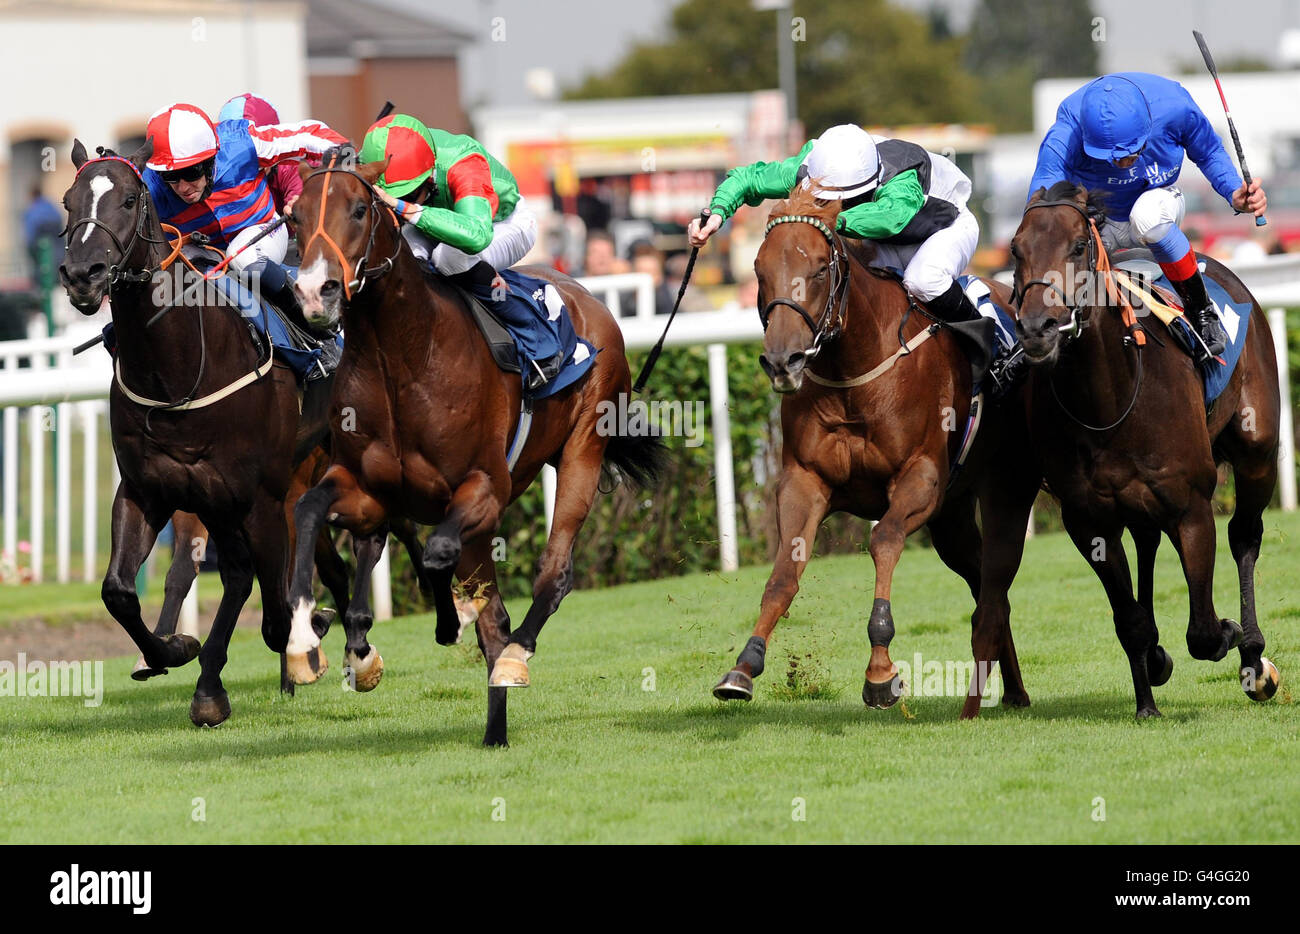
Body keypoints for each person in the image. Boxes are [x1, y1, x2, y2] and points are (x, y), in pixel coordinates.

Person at [1027, 72, 1267, 360]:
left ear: (1148, 126)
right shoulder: (1069, 125)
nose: (1121, 164)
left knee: (1147, 216)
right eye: (1110, 158)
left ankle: (1203, 312)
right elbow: (1042, 193)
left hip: (1156, 206)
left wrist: (1233, 191)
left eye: (1129, 153)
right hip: (1096, 220)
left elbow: (1209, 151)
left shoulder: (1176, 106)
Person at [691, 124, 983, 326]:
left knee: (924, 280)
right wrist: (717, 213)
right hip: (881, 241)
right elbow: (747, 179)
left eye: (845, 199)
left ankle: (988, 338)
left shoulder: (900, 175)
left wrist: (823, 219)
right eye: (824, 197)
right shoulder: (812, 165)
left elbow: (890, 219)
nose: (833, 204)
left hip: (944, 227)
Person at [359, 114, 566, 388]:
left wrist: (401, 207)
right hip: (437, 216)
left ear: (429, 176)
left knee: (449, 257)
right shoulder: (379, 155)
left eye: (407, 194)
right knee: (401, 256)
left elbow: (475, 236)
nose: (398, 202)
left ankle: (536, 337)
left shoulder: (464, 163)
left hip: (500, 223)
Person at [142, 101, 347, 315]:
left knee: (243, 257)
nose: (183, 187)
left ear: (211, 159)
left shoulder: (242, 143)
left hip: (259, 233)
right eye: (171, 176)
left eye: (192, 172)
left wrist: (353, 164)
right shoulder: (148, 184)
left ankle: (305, 312)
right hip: (198, 250)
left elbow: (309, 135)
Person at [216, 93, 304, 216]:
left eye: (257, 151)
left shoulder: (291, 168)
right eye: (237, 154)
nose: (247, 162)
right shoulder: (215, 172)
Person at [23, 185, 65, 279]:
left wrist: (30, 247)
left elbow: (30, 232)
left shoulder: (32, 209)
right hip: (56, 239)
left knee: (41, 267)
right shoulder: (50, 205)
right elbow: (59, 219)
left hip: (39, 240)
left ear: (32, 195)